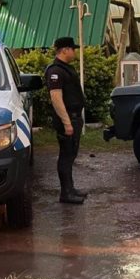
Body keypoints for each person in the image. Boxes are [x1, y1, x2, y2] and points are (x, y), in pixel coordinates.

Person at [45, 36, 87, 204]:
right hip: (67, 119)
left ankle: (70, 189)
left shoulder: (66, 68)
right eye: (73, 49)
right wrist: (67, 122)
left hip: (74, 117)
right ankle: (66, 193)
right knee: (66, 156)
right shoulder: (55, 70)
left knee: (71, 155)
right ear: (64, 50)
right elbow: (56, 98)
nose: (75, 52)